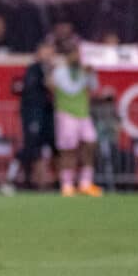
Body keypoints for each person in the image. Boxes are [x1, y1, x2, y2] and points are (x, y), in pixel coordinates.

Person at [0, 40, 55, 195]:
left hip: (43, 114)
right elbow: (38, 89)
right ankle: (9, 180)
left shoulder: (47, 68)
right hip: (32, 114)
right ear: (39, 52)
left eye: (51, 51)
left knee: (40, 148)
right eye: (46, 50)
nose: (49, 54)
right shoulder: (33, 69)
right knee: (29, 147)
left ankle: (37, 181)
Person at [50, 40, 103, 197]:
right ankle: (67, 184)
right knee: (68, 149)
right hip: (66, 114)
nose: (79, 57)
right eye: (77, 54)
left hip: (83, 114)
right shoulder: (60, 71)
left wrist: (91, 74)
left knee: (90, 144)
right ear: (69, 55)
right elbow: (66, 89)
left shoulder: (85, 71)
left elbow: (94, 87)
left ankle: (85, 182)